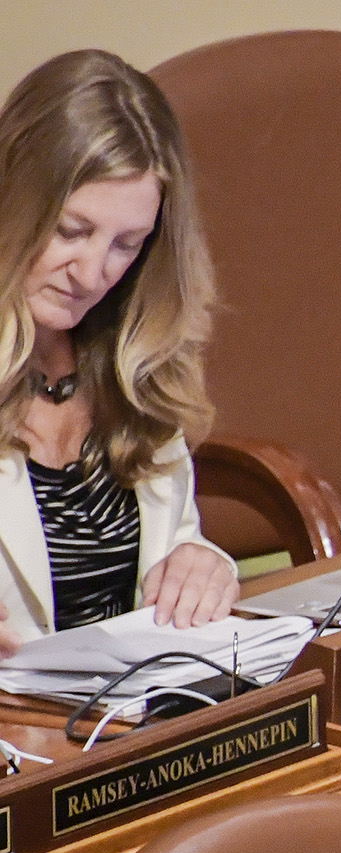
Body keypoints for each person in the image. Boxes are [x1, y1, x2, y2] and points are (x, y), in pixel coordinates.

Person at [0, 50, 236, 658]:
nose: (93, 273)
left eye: (127, 244)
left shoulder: (132, 359)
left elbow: (174, 544)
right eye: (72, 231)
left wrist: (202, 565)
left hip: (122, 728)